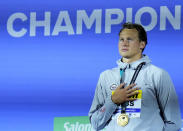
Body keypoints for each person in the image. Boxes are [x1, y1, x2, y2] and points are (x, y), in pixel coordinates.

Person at [88, 22, 182, 131]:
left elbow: (173, 123)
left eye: (130, 39)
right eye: (121, 39)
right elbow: (95, 123)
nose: (124, 43)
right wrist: (112, 101)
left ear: (142, 44)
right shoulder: (106, 76)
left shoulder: (158, 75)